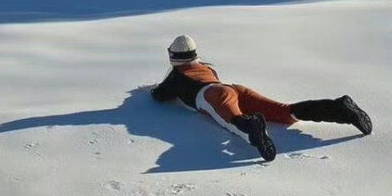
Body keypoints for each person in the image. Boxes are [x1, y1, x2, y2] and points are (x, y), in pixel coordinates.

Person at [150, 34, 372, 163]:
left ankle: (254, 129)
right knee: (284, 112)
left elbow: (160, 96)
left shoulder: (177, 75)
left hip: (211, 95)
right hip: (233, 88)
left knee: (233, 122)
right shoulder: (205, 67)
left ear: (173, 56)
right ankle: (339, 108)